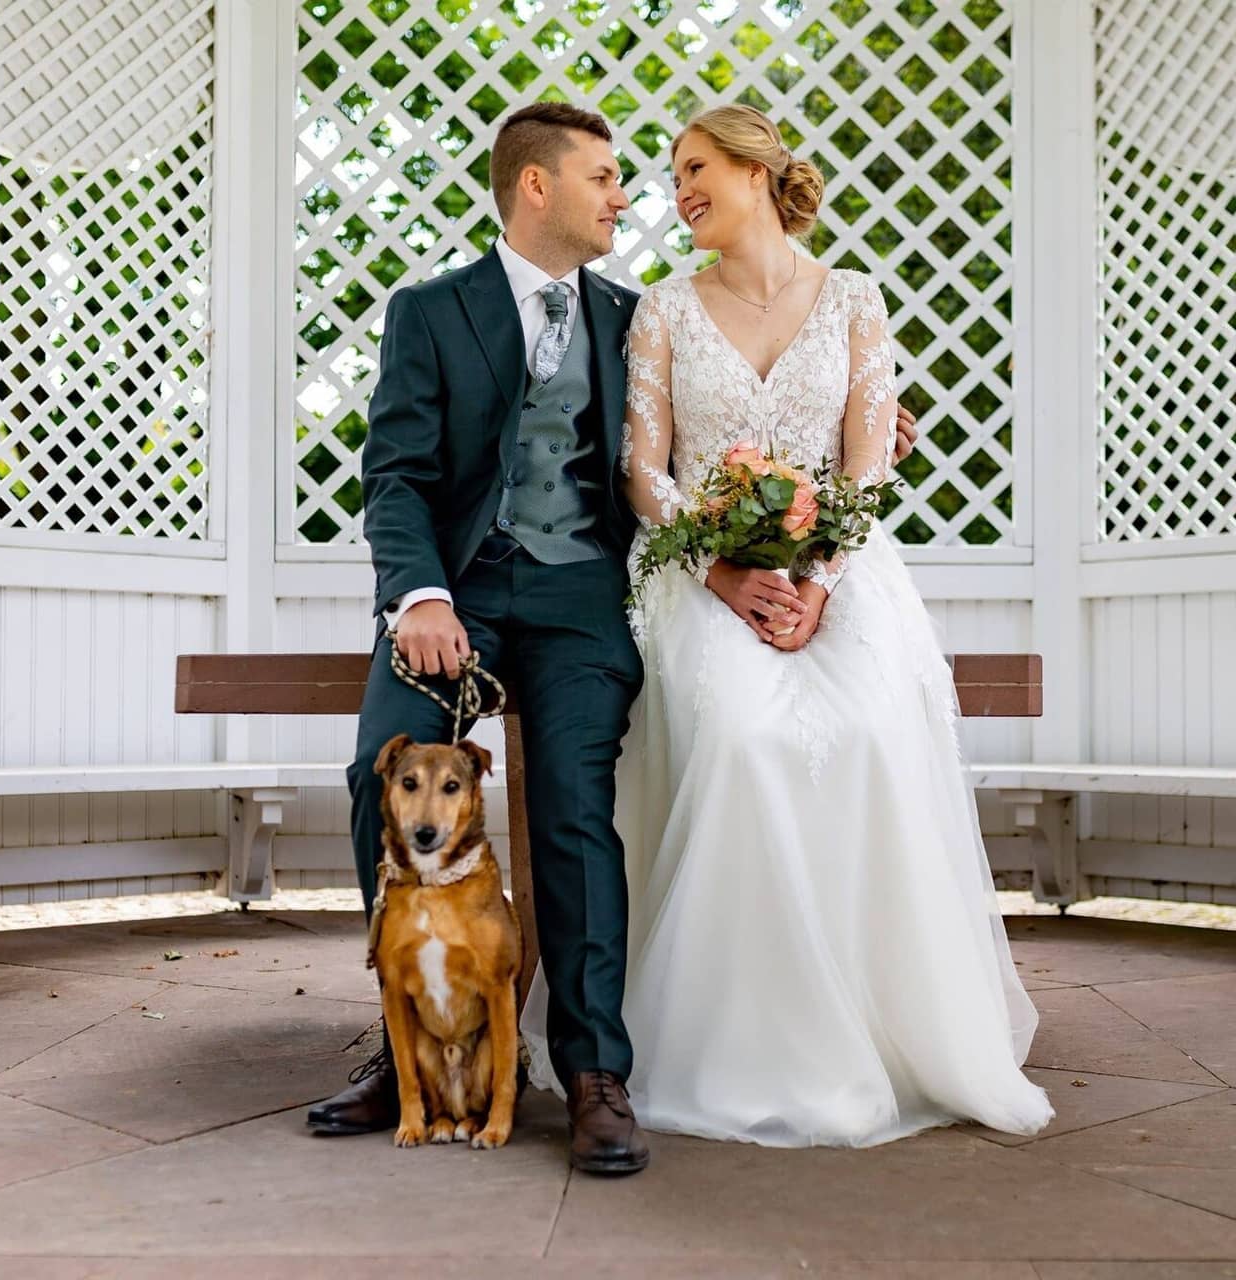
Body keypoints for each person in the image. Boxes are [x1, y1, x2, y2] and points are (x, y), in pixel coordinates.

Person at [302, 99, 927, 1171]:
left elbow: (683, 448)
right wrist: (421, 598)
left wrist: (859, 439)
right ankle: (410, 1042)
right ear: (535, 185)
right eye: (604, 177)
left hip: (581, 599)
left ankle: (596, 1068)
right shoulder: (430, 313)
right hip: (458, 595)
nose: (625, 196)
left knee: (575, 803)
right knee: (378, 764)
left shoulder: (637, 315)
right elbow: (395, 479)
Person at [522, 104, 1054, 1147]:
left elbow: (866, 458)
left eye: (696, 167)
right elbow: (643, 471)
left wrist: (822, 572)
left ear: (759, 170)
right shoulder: (663, 313)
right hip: (698, 573)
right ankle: (737, 1043)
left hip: (838, 571)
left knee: (868, 730)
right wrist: (723, 570)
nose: (677, 191)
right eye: (670, 176)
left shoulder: (854, 297)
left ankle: (891, 1033)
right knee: (746, 735)